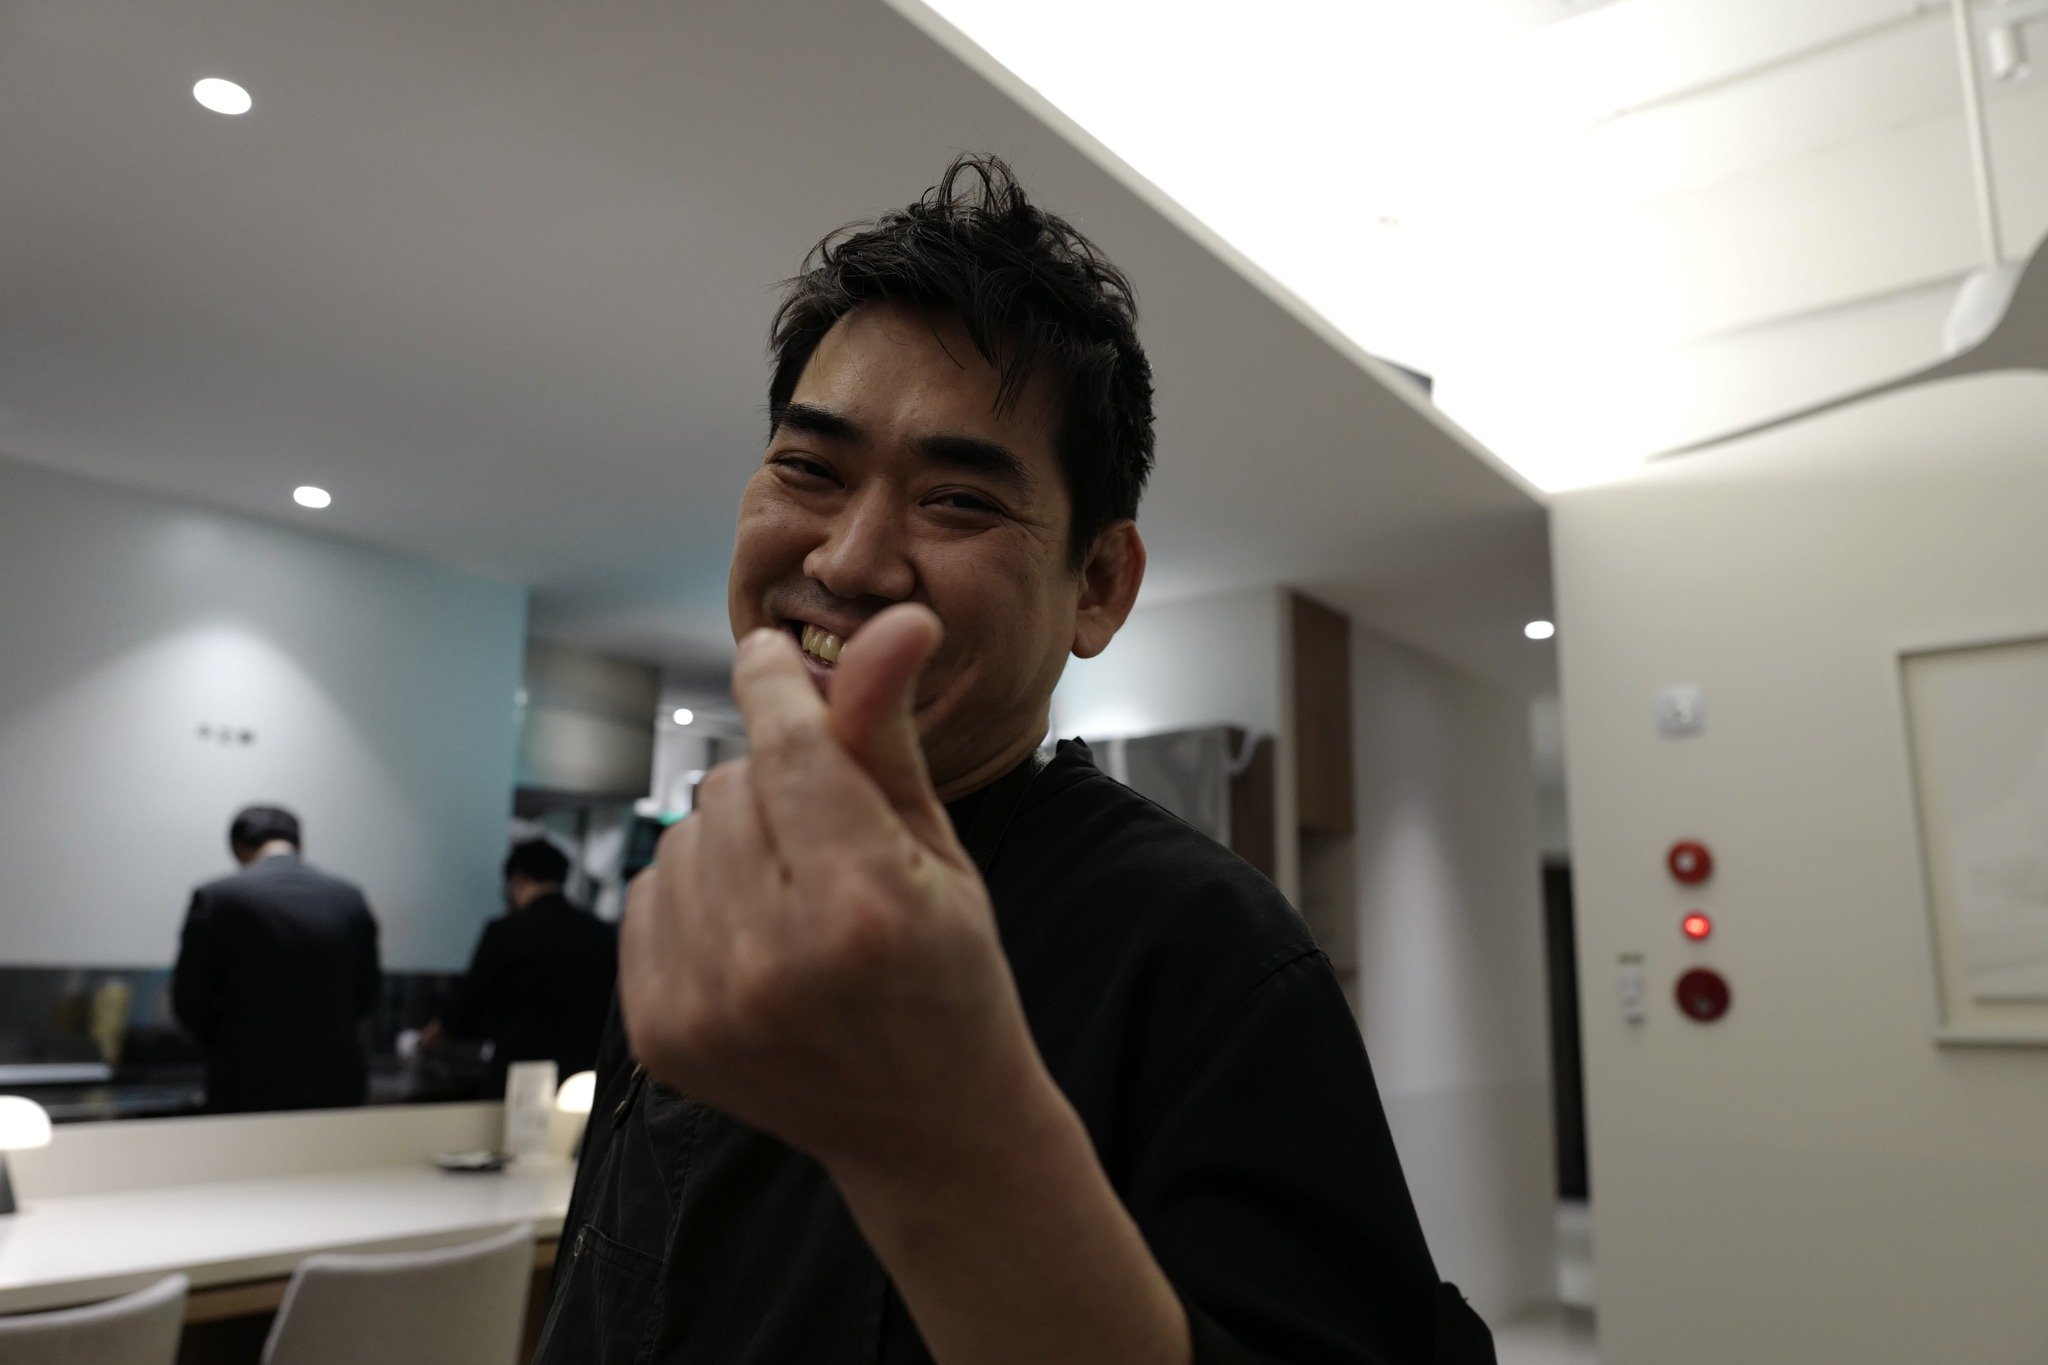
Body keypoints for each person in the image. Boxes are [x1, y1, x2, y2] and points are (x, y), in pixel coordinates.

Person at [534, 156, 1493, 1364]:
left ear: (1097, 585)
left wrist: (948, 1138)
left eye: (958, 502)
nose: (849, 559)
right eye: (808, 469)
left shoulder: (1201, 953)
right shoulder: (701, 895)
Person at [171, 805, 382, 1114]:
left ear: (239, 848)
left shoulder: (217, 898)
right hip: (336, 1082)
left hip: (245, 1082)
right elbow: (367, 995)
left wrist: (226, 1041)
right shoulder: (350, 897)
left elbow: (189, 1000)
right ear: (300, 845)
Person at [426, 839, 618, 1093]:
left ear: (517, 879)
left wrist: (439, 1030)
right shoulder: (601, 933)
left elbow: (471, 998)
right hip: (585, 1072)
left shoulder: (506, 932)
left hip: (522, 1072)